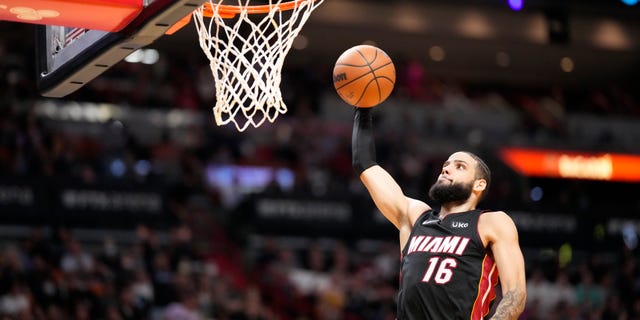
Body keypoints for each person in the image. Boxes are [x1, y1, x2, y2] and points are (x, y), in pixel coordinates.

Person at [351, 107, 526, 319]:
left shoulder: (491, 222)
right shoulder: (416, 216)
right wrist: (363, 108)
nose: (446, 169)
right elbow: (365, 164)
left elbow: (515, 295)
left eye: (459, 166)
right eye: (445, 165)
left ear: (479, 184)